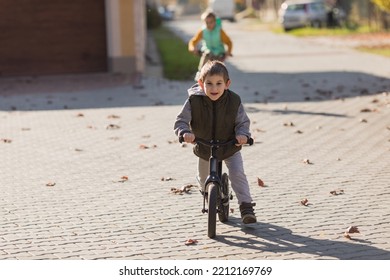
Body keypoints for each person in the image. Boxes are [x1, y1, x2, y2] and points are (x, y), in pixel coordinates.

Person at [174, 60, 257, 224]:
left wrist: (242, 135)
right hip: (205, 146)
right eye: (209, 84)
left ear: (227, 84)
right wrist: (184, 133)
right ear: (200, 83)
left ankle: (246, 207)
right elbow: (181, 121)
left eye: (219, 83)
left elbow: (242, 122)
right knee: (204, 177)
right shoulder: (194, 101)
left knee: (237, 173)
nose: (214, 88)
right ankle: (208, 193)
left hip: (230, 145)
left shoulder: (234, 101)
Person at [188, 10, 233, 75]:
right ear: (203, 22)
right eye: (206, 22)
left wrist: (228, 52)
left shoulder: (219, 31)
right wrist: (192, 48)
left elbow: (229, 42)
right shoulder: (203, 31)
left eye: (211, 22)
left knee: (218, 71)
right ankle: (200, 77)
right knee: (203, 66)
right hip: (207, 52)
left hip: (219, 53)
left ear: (215, 22)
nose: (209, 24)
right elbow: (193, 41)